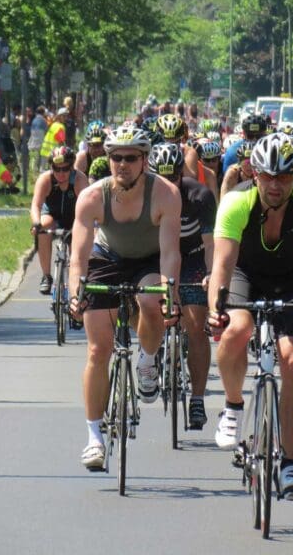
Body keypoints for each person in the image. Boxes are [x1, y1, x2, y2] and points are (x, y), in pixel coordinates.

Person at [207, 132, 293, 500]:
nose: (275, 185)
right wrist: (216, 310)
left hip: (292, 277)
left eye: (284, 177)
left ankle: (290, 463)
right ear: (254, 173)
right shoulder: (235, 202)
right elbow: (222, 267)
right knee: (236, 329)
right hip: (247, 275)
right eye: (267, 177)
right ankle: (232, 406)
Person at [68, 123, 181, 470]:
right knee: (97, 349)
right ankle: (93, 437)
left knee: (151, 300)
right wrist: (76, 294)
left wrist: (170, 295)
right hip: (108, 257)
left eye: (131, 158)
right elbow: (78, 257)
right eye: (115, 157)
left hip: (148, 260)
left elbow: (169, 254)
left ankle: (147, 360)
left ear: (145, 160)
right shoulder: (92, 197)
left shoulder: (165, 194)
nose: (122, 164)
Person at [148, 142, 216, 429]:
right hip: (155, 256)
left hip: (193, 258)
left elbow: (211, 245)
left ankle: (198, 399)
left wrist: (212, 275)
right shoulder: (143, 196)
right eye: (161, 179)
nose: (169, 185)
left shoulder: (200, 195)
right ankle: (146, 360)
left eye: (173, 177)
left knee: (196, 326)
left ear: (181, 173)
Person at [29, 145, 88, 294]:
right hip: (52, 216)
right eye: (56, 168)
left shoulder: (80, 179)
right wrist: (36, 224)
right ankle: (46, 276)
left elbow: (86, 210)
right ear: (51, 167)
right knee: (44, 225)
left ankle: (76, 285)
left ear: (72, 167)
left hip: (74, 217)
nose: (61, 173)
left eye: (65, 169)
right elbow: (36, 205)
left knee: (76, 247)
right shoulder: (46, 179)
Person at [27, 106, 49, 176]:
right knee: (41, 156)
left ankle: (33, 171)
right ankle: (40, 171)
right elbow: (46, 131)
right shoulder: (43, 120)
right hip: (41, 140)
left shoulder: (34, 120)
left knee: (34, 158)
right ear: (43, 112)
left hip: (33, 141)